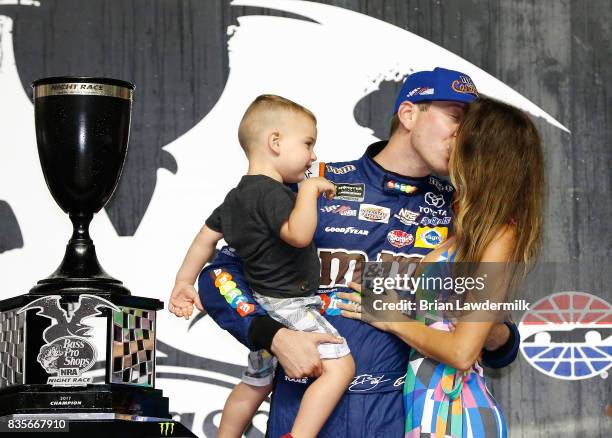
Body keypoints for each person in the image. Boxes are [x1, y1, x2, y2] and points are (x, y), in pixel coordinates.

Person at [196, 67, 522, 437]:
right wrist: (273, 335)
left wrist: (488, 333)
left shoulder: (462, 211)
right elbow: (218, 275)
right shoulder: (314, 186)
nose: (463, 136)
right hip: (306, 412)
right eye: (455, 118)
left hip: (402, 418)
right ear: (409, 114)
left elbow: (500, 345)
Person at [339, 96, 544, 436]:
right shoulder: (465, 233)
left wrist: (391, 319)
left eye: (461, 135)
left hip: (456, 411)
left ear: (481, 153)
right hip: (426, 402)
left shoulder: (500, 235)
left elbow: (463, 352)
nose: (451, 141)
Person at [168, 95, 355, 438]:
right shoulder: (274, 194)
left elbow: (205, 240)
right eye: (308, 143)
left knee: (256, 382)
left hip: (262, 306)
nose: (313, 155)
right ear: (275, 142)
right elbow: (298, 235)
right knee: (341, 367)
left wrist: (184, 280)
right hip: (288, 305)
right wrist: (309, 191)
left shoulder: (235, 196)